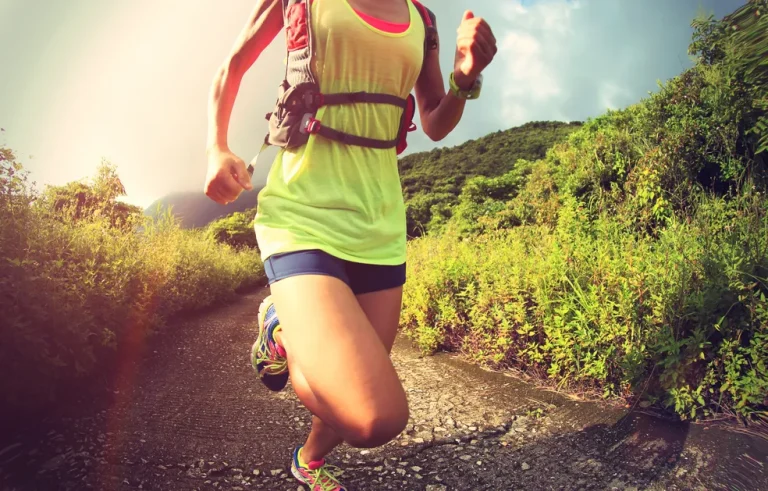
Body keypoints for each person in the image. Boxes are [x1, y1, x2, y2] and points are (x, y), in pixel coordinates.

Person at [204, 1, 496, 489]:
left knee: (354, 382)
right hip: (303, 213)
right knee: (372, 417)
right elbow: (232, 65)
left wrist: (465, 78)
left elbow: (435, 122)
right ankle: (280, 328)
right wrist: (215, 144)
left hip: (379, 225)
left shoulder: (421, 20)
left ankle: (309, 460)